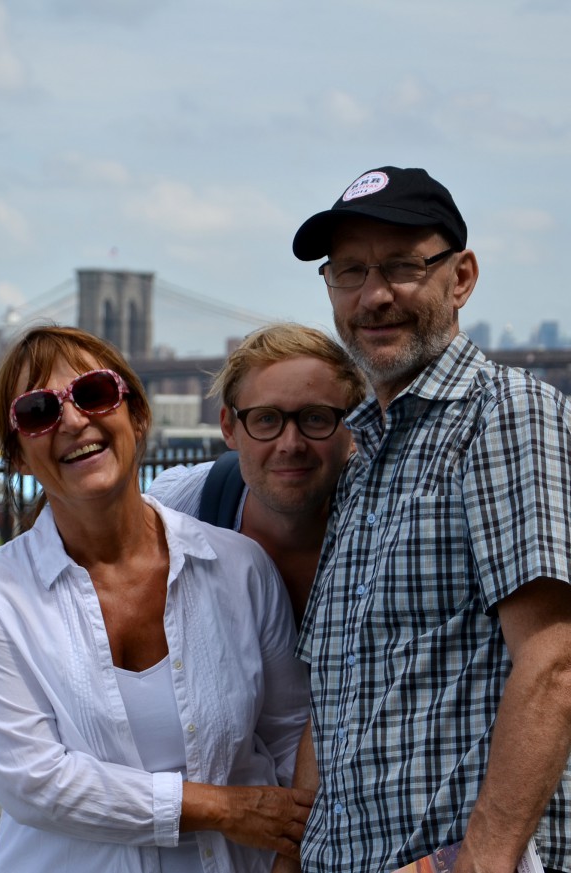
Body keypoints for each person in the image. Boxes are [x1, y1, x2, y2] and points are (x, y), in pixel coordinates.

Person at [287, 166, 571, 873]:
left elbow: (555, 659)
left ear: (461, 276)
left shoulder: (504, 415)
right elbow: (344, 691)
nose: (373, 296)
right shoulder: (366, 457)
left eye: (402, 266)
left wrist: (479, 861)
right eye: (349, 271)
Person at [0, 324, 314, 872]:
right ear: (19, 456)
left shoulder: (241, 568)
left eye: (94, 394)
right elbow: (32, 783)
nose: (73, 420)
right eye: (38, 411)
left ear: (138, 417)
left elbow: (290, 740)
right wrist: (222, 808)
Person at [148, 323, 366, 628]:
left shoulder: (390, 524)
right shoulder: (180, 507)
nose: (291, 445)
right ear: (228, 428)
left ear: (355, 428)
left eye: (316, 418)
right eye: (266, 419)